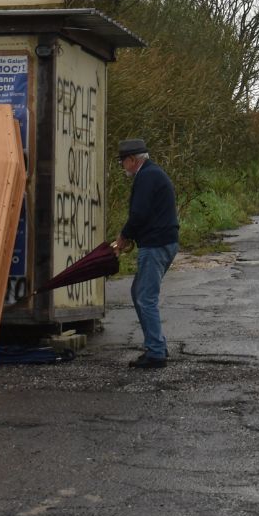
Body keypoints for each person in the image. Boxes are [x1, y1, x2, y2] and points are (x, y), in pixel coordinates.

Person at [110, 138, 179, 369]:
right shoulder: (152, 174)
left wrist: (122, 238)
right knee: (138, 292)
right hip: (163, 242)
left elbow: (138, 214)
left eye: (123, 162)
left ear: (132, 160)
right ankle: (157, 344)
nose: (122, 166)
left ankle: (156, 353)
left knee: (145, 297)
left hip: (155, 245)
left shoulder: (146, 177)